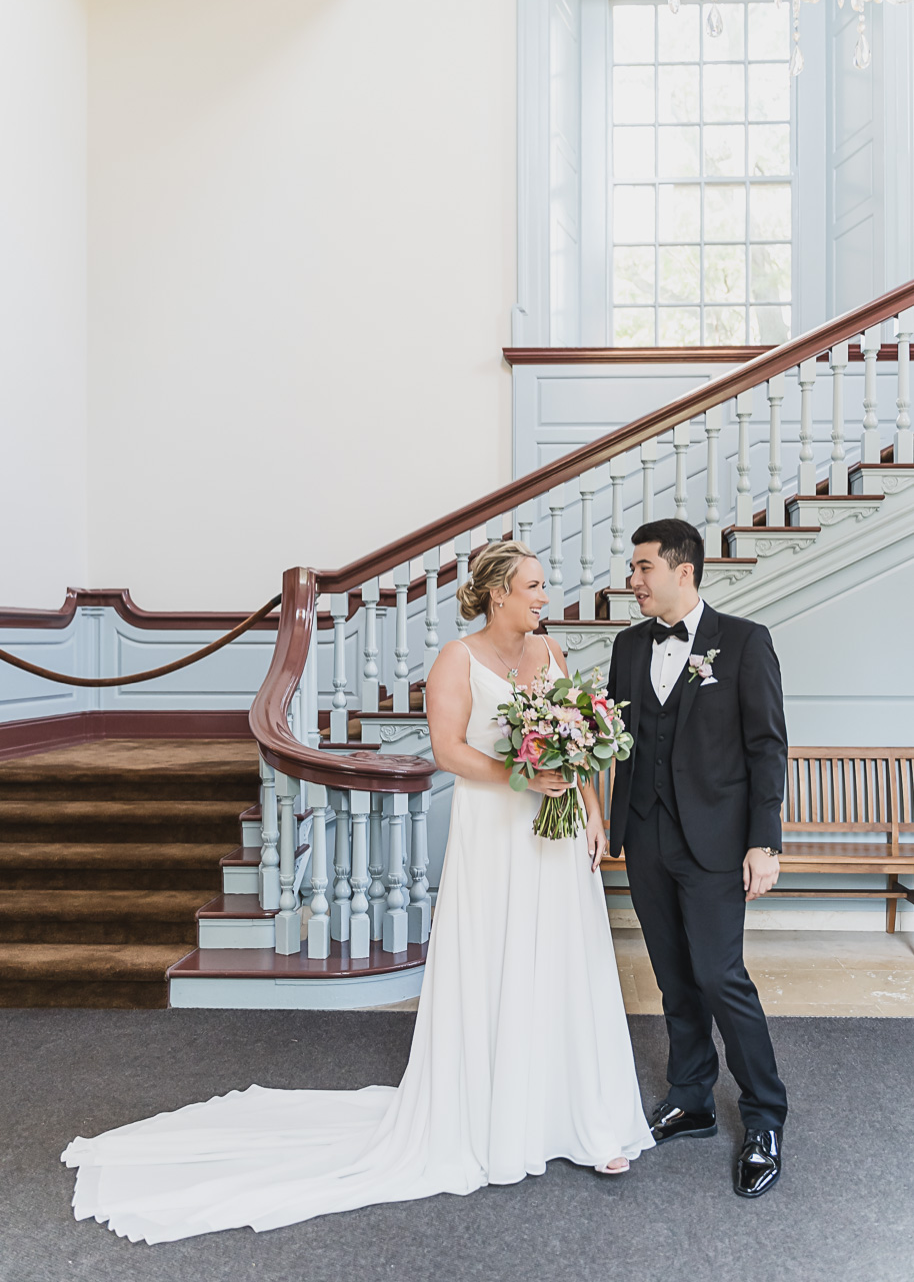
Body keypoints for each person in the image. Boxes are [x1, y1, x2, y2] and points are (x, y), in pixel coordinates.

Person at [61, 540, 652, 1244]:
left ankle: (582, 1117)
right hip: (496, 829)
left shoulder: (550, 654)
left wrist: (588, 808)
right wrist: (521, 779)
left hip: (552, 837)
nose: (544, 597)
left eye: (543, 587)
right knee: (498, 961)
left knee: (563, 964)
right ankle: (497, 1118)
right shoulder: (456, 661)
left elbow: (578, 739)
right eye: (533, 586)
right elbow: (451, 751)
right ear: (498, 593)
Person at [606, 518, 788, 1199]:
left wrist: (762, 841)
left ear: (683, 570)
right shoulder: (628, 646)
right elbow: (616, 737)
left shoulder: (743, 642)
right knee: (675, 977)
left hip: (715, 841)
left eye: (642, 568)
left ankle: (766, 1116)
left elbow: (768, 745)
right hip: (646, 837)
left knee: (720, 976)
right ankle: (693, 1096)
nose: (632, 581)